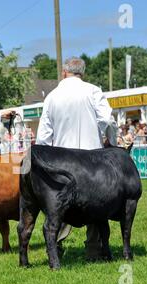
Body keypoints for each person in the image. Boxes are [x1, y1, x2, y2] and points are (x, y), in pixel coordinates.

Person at [36, 57, 118, 261]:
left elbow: (43, 136)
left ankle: (55, 247)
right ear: (83, 73)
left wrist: (44, 160)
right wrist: (112, 142)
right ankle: (93, 249)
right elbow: (107, 119)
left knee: (60, 206)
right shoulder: (92, 90)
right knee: (97, 204)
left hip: (62, 162)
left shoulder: (52, 96)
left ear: (64, 72)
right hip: (92, 160)